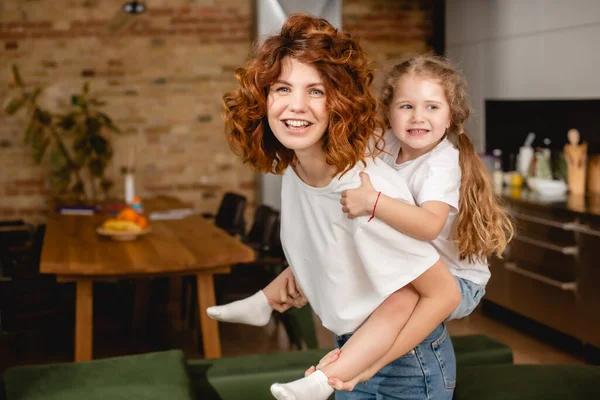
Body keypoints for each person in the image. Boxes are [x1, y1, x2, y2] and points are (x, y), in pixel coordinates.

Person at [213, 13, 461, 400]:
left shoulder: (365, 188)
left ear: (339, 102)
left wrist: (368, 365)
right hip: (351, 344)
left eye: (315, 91)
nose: (296, 106)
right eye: (282, 88)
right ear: (262, 98)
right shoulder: (297, 169)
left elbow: (443, 294)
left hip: (408, 365)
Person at [321, 54, 515, 390]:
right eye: (406, 106)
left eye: (432, 107)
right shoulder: (385, 145)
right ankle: (344, 367)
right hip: (416, 268)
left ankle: (363, 366)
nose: (418, 117)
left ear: (451, 115)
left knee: (400, 298)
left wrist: (373, 203)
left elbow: (428, 225)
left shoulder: (440, 163)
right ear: (389, 111)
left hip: (455, 279)